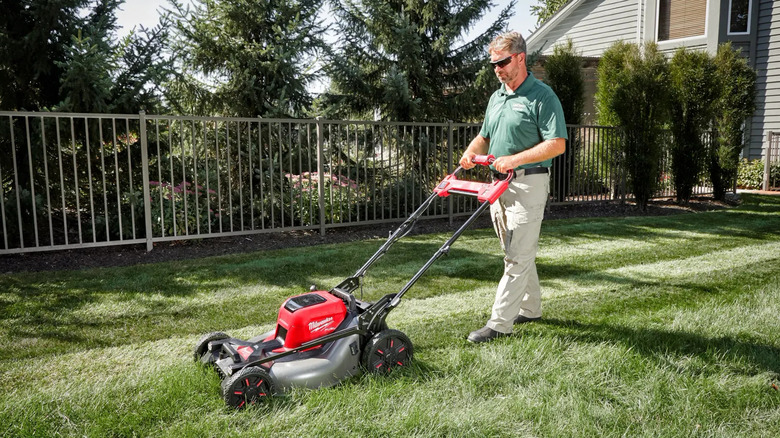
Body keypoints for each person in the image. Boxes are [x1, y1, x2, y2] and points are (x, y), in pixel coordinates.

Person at [460, 31, 567, 343]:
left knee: (517, 256)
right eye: (494, 64)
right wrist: (471, 152)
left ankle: (499, 324)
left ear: (520, 58)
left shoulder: (542, 96)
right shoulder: (498, 96)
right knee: (516, 251)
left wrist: (514, 160)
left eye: (503, 62)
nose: (498, 69)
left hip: (528, 184)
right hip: (498, 186)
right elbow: (485, 136)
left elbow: (557, 144)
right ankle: (530, 308)